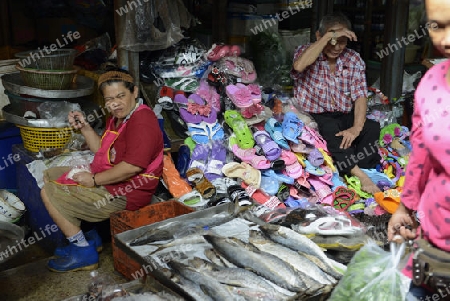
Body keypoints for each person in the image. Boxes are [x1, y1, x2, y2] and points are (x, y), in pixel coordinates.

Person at [41, 68, 164, 272]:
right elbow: (102, 151)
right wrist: (85, 128)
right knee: (49, 175)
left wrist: (95, 179)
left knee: (48, 192)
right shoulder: (119, 117)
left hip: (128, 192)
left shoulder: (142, 121)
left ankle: (82, 251)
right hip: (113, 182)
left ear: (134, 92)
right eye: (109, 99)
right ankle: (91, 237)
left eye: (120, 96)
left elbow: (132, 167)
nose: (115, 103)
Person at [388, 0, 450, 300]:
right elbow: (421, 155)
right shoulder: (431, 83)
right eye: (438, 26)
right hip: (434, 242)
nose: (446, 40)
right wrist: (405, 207)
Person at [291, 12, 381, 194]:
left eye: (342, 41)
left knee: (371, 127)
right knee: (332, 129)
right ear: (319, 36)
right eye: (333, 40)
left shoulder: (353, 59)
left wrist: (356, 128)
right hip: (314, 115)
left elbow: (360, 96)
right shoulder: (305, 51)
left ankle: (359, 168)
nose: (337, 46)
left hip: (343, 114)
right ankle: (358, 174)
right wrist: (326, 38)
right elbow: (299, 66)